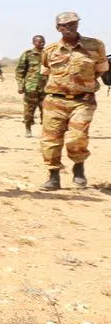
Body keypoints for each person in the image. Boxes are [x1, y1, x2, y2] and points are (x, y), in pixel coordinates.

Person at [38, 12, 107, 190]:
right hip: (55, 101)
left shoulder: (94, 46)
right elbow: (46, 71)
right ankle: (53, 175)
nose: (69, 28)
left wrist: (85, 85)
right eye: (65, 25)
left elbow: (100, 70)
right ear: (58, 28)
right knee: (50, 141)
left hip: (82, 101)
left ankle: (78, 169)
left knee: (77, 138)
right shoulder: (50, 50)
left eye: (73, 24)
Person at [15, 35, 47, 137]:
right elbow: (20, 71)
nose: (41, 44)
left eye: (42, 42)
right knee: (28, 111)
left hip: (46, 88)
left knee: (47, 111)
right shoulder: (27, 54)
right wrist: (20, 85)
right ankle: (28, 129)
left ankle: (46, 131)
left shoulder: (48, 54)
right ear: (33, 43)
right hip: (31, 87)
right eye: (39, 42)